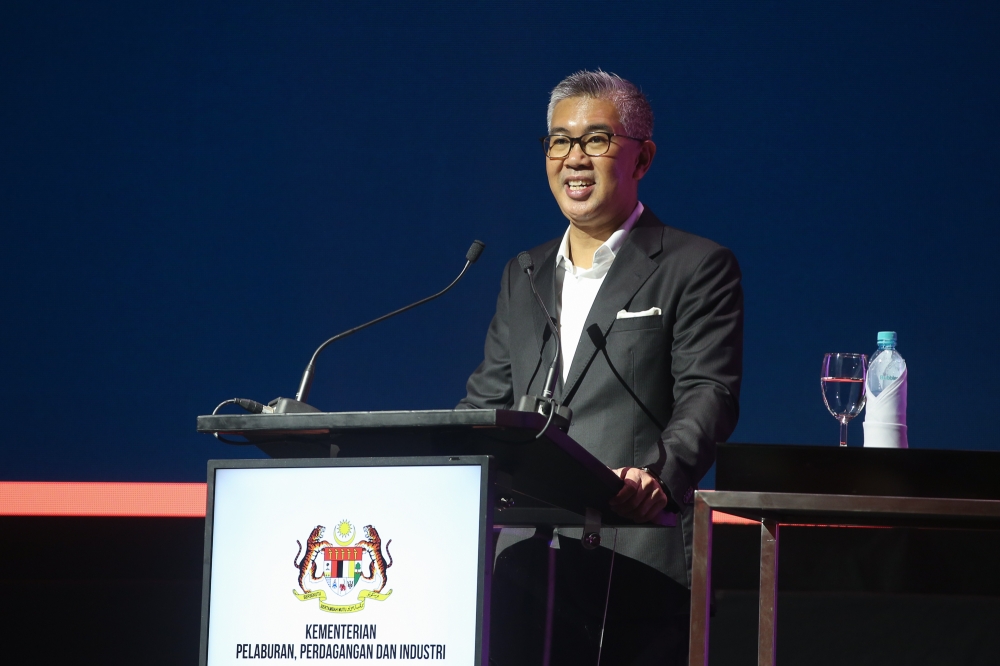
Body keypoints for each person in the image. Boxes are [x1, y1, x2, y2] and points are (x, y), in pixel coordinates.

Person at [458, 70, 743, 665]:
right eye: (559, 141)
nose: (574, 158)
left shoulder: (696, 265)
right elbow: (488, 400)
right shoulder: (523, 272)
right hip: (526, 564)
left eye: (596, 139)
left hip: (639, 551)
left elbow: (708, 393)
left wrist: (659, 475)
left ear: (643, 158)